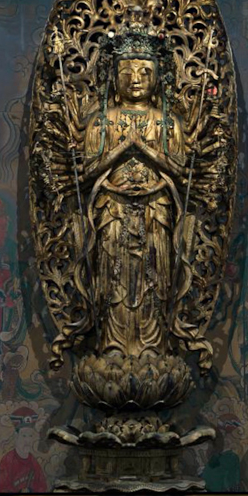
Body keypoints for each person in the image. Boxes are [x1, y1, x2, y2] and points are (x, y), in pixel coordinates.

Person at [80, 27, 189, 358]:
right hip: (112, 208)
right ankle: (112, 344)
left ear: (157, 78)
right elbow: (87, 172)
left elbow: (180, 171)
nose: (136, 79)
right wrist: (121, 148)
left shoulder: (166, 121)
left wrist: (144, 149)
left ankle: (153, 345)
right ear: (114, 79)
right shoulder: (103, 120)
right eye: (127, 72)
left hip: (155, 209)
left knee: (155, 275)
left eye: (145, 72)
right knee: (112, 275)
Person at [0, 407, 47, 492]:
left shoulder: (33, 462)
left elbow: (42, 486)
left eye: (30, 436)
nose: (28, 440)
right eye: (24, 436)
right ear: (16, 436)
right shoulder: (7, 460)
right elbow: (2, 487)